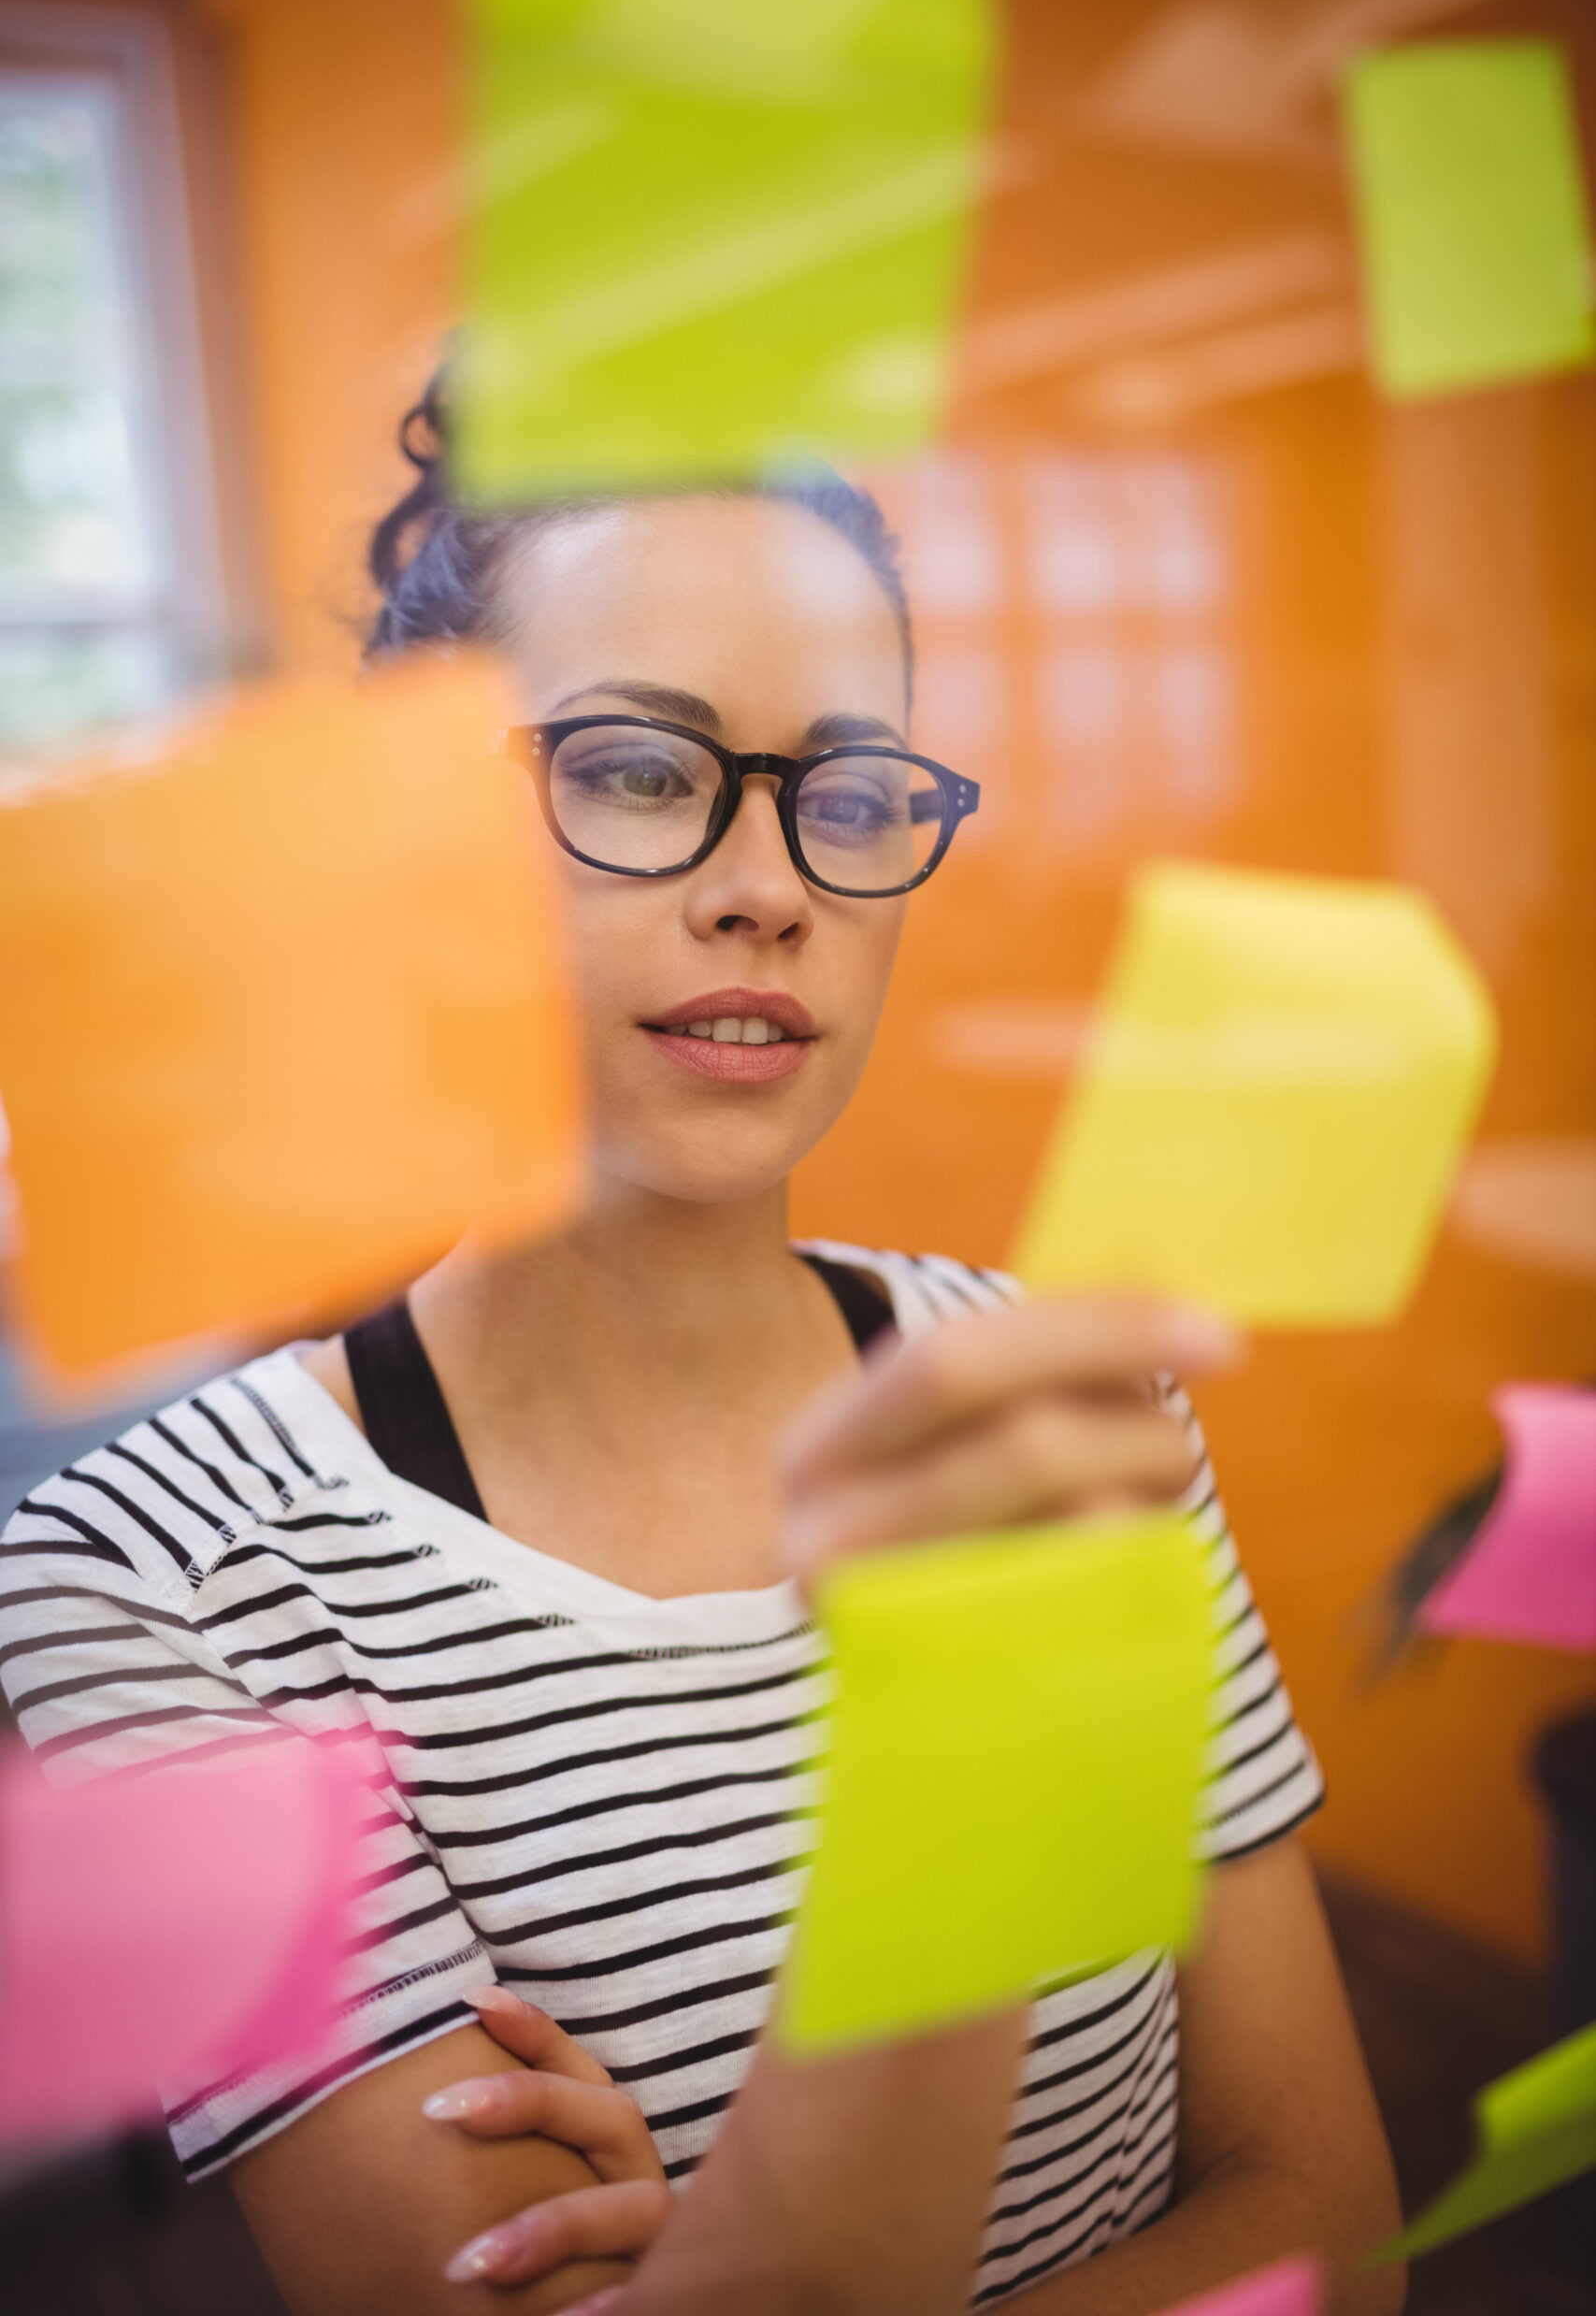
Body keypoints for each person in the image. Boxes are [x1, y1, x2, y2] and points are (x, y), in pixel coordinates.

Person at [0, 375, 1401, 2316]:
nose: (772, 885)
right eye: (641, 769)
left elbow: (1325, 2217)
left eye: (844, 792)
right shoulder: (149, 1583)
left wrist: (739, 2257)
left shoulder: (1049, 1395)